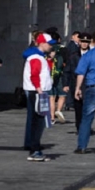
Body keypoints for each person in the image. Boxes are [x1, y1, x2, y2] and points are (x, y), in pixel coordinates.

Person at [22, 33, 57, 161]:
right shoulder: (36, 57)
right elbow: (34, 75)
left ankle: (34, 147)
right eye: (49, 44)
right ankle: (35, 150)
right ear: (42, 43)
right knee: (38, 121)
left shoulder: (39, 57)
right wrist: (39, 90)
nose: (51, 46)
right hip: (37, 92)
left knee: (37, 120)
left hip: (37, 91)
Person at [67, 33, 90, 133]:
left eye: (87, 42)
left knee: (88, 109)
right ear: (79, 42)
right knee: (78, 108)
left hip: (89, 86)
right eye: (83, 42)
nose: (84, 44)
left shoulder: (92, 55)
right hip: (75, 84)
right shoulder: (73, 56)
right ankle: (79, 126)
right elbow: (67, 70)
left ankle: (86, 127)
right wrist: (65, 84)